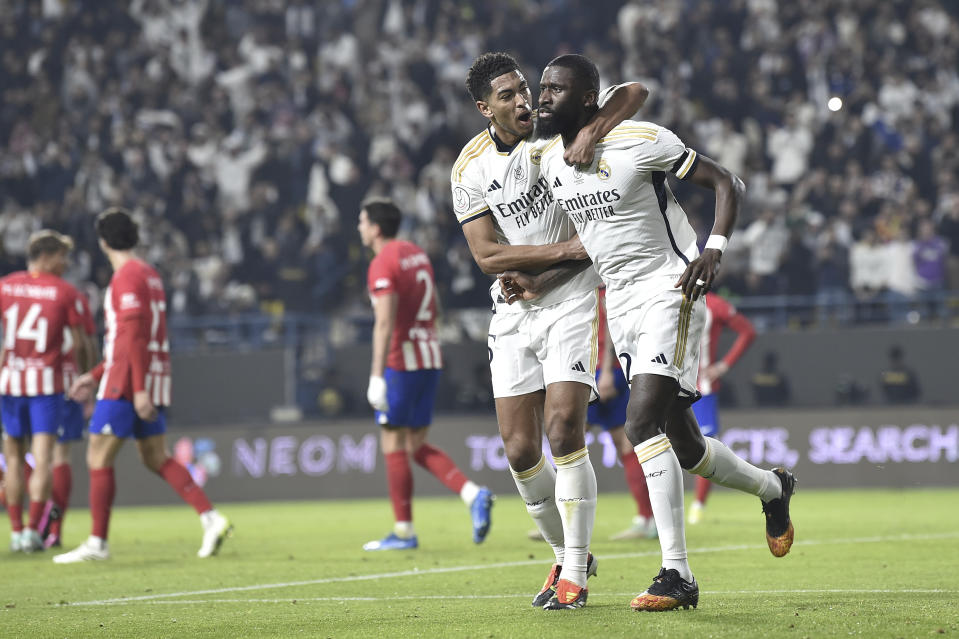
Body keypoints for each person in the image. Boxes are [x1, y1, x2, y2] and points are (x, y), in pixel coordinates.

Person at [500, 54, 795, 612]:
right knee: (685, 447)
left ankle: (676, 574)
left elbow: (726, 182)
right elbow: (594, 247)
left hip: (671, 286)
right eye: (541, 88)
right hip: (622, 303)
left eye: (556, 89)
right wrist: (536, 279)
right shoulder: (554, 165)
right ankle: (774, 489)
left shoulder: (638, 139)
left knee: (640, 424)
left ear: (588, 98)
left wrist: (713, 250)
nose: (542, 97)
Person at [454, 51, 648, 609]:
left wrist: (596, 133)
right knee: (518, 451)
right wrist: (550, 256)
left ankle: (574, 580)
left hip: (573, 299)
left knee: (564, 431)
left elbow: (633, 90)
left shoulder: (557, 134)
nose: (524, 102)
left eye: (524, 89)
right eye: (509, 95)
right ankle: (569, 555)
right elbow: (487, 255)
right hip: (513, 309)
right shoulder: (468, 167)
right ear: (484, 107)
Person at [54, 208, 232, 563]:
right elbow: (132, 339)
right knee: (154, 457)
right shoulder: (150, 275)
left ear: (103, 242)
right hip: (149, 374)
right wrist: (95, 373)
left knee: (97, 455)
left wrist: (134, 388)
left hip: (128, 381)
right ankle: (211, 518)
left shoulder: (126, 276)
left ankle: (97, 542)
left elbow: (132, 336)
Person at [358, 198, 494, 551]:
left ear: (374, 227)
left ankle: (403, 532)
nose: (359, 227)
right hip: (429, 355)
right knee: (415, 445)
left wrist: (376, 375)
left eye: (362, 221)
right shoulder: (416, 254)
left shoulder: (382, 262)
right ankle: (473, 493)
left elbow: (384, 321)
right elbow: (433, 305)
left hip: (400, 363)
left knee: (393, 443)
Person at [0, 231, 90, 553]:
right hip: (45, 387)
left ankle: (14, 531)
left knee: (12, 459)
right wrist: (85, 375)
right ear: (47, 255)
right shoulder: (63, 292)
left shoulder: (5, 285)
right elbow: (79, 342)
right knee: (42, 460)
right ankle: (31, 532)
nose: (65, 264)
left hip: (10, 383)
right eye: (62, 257)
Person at [590, 288, 657, 541]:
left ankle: (646, 520)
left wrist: (606, 370)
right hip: (599, 368)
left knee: (567, 440)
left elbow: (611, 328)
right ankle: (647, 519)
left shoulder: (601, 285)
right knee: (625, 447)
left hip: (601, 371)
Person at [687, 293, 756, 525]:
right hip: (671, 385)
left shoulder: (715, 305)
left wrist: (723, 366)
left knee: (705, 446)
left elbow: (748, 331)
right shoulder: (665, 296)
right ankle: (651, 514)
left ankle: (697, 506)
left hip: (703, 389)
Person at [43, 289, 98, 548]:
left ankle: (31, 526)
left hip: (26, 383)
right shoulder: (75, 298)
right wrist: (90, 382)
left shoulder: (16, 289)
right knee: (57, 456)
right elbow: (87, 342)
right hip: (66, 382)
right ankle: (51, 528)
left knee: (26, 454)